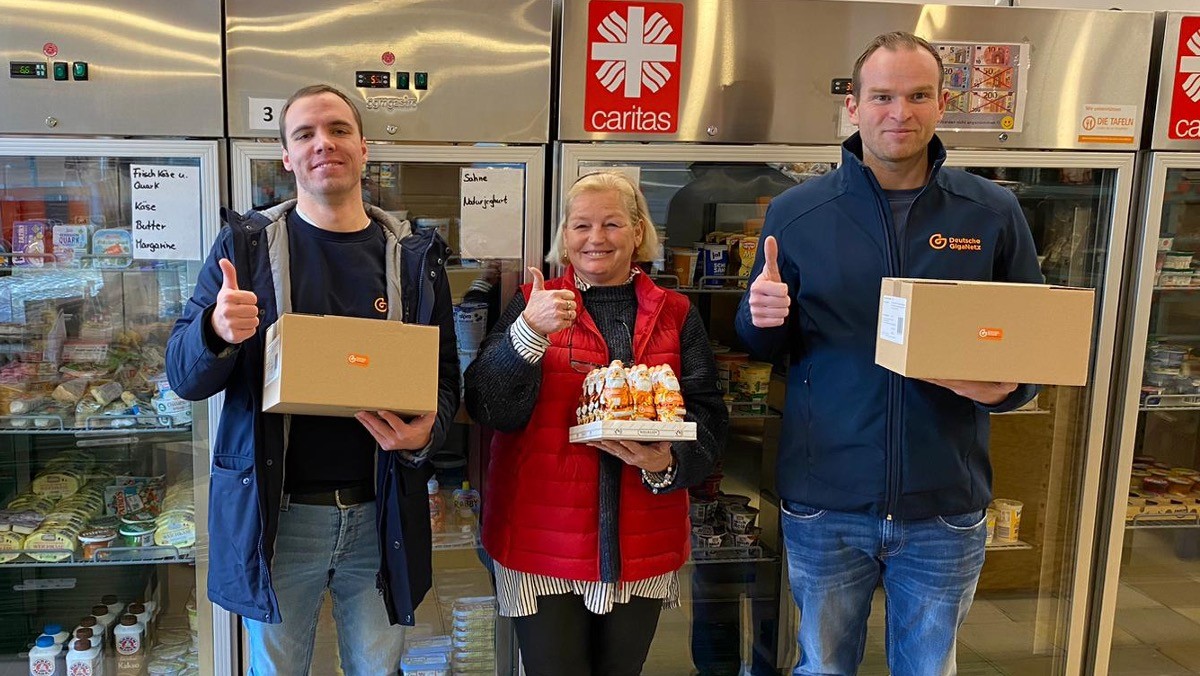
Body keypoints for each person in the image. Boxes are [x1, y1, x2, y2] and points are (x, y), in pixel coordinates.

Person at [735, 32, 1042, 676]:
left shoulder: (992, 212)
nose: (898, 112)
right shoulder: (796, 213)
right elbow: (765, 341)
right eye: (881, 96)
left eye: (917, 95)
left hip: (945, 504)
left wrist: (1010, 390)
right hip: (826, 501)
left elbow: (1032, 345)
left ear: (941, 103)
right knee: (821, 667)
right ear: (854, 105)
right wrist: (760, 318)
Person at [166, 84, 459, 676]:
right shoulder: (243, 249)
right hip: (277, 520)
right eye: (304, 134)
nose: (323, 143)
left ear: (364, 148)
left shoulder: (412, 257)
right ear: (286, 158)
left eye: (338, 129)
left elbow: (444, 378)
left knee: (379, 669)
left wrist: (425, 435)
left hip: (383, 516)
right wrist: (216, 332)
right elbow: (182, 375)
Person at [464, 171, 728, 676]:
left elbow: (709, 417)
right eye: (581, 225)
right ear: (564, 236)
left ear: (637, 232)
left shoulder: (676, 313)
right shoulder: (531, 302)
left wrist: (667, 462)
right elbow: (488, 407)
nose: (596, 238)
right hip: (541, 541)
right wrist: (527, 334)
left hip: (642, 542)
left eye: (612, 224)